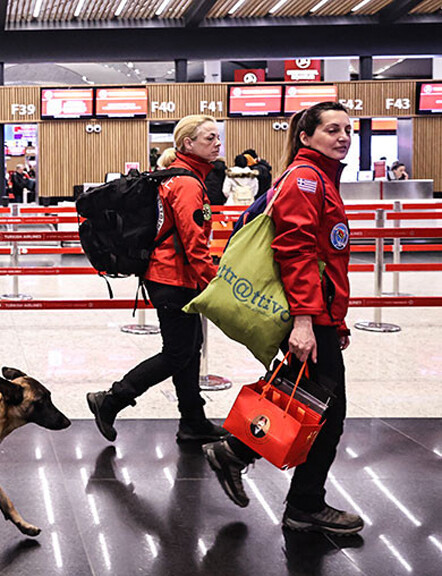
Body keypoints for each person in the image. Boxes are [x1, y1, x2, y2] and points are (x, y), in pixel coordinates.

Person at [203, 102, 363, 535]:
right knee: (326, 413)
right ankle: (303, 504)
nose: (343, 136)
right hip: (308, 316)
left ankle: (237, 454)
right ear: (307, 137)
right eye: (332, 129)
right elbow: (295, 254)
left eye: (348, 129)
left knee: (307, 404)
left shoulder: (319, 179)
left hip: (319, 315)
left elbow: (325, 260)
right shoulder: (308, 180)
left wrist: (334, 321)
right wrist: (307, 322)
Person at [86, 115, 228, 445]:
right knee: (178, 352)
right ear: (187, 144)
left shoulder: (179, 177)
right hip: (173, 278)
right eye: (209, 138)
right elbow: (194, 243)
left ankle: (193, 421)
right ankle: (111, 399)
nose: (217, 143)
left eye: (217, 137)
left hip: (169, 276)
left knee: (190, 349)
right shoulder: (188, 184)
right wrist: (216, 283)